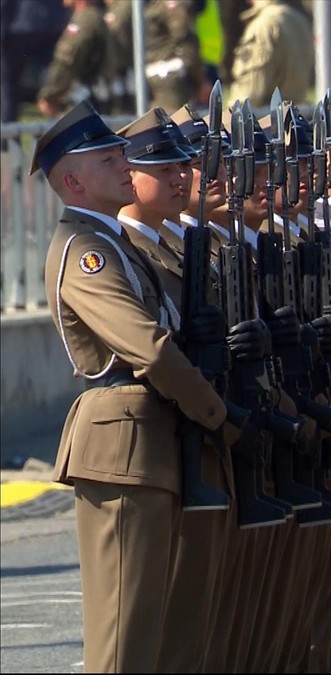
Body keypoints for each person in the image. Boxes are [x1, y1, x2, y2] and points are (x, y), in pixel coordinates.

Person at [36, 100, 234, 672]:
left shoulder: (118, 245)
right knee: (125, 639)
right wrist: (217, 414)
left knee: (167, 631)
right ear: (72, 180)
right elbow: (146, 346)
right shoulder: (87, 250)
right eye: (107, 158)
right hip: (122, 446)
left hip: (154, 438)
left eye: (120, 153)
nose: (125, 163)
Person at [229, 0, 313, 107]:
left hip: (267, 119)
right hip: (296, 114)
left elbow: (249, 96)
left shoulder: (263, 26)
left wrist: (226, 119)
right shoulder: (299, 20)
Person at [37, 0, 111, 118]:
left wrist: (50, 96)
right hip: (90, 97)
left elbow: (67, 61)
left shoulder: (85, 20)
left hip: (80, 101)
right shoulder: (93, 17)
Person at [143, 0, 207, 111]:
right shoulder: (173, 5)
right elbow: (186, 44)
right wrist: (201, 82)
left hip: (156, 77)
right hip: (169, 81)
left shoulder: (153, 6)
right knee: (175, 123)